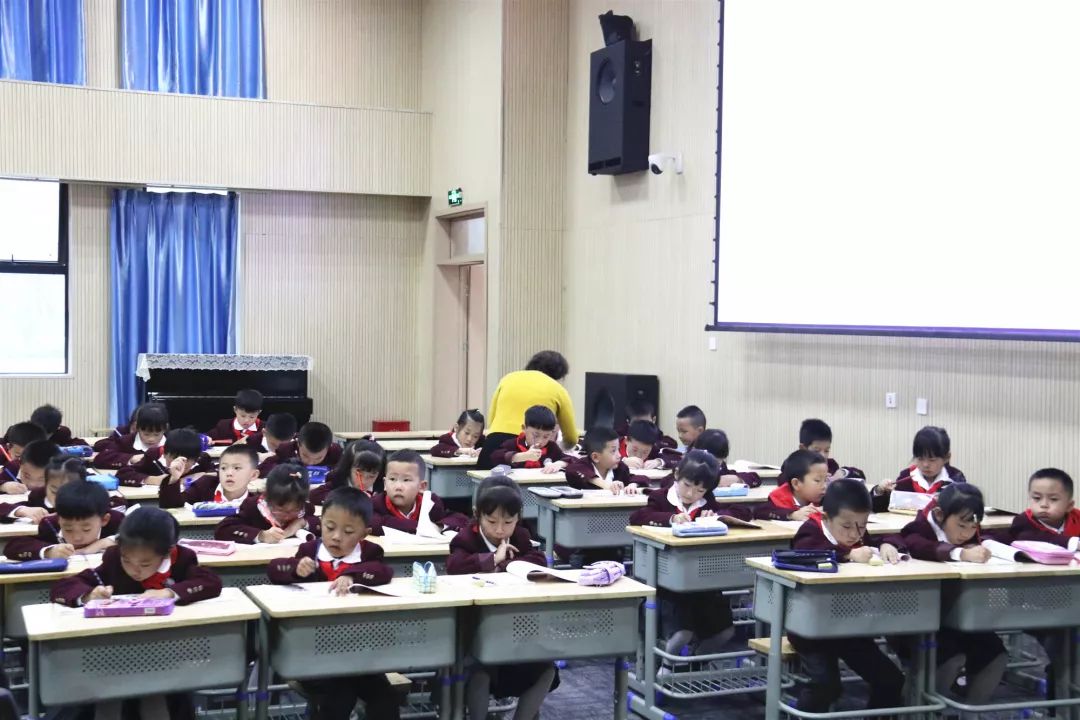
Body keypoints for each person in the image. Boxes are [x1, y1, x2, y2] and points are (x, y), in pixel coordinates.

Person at [51, 507, 222, 720]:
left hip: (170, 652)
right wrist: (89, 595)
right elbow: (62, 587)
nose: (135, 569)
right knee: (108, 705)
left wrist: (169, 592)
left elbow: (211, 582)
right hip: (115, 655)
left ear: (167, 553)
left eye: (145, 563)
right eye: (127, 560)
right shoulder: (113, 559)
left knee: (161, 703)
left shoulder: (182, 559)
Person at [267, 486, 400, 720]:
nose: (336, 536)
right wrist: (296, 569)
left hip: (360, 653)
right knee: (339, 697)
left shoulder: (370, 553)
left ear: (364, 533)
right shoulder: (309, 550)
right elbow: (274, 570)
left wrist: (352, 575)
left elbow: (383, 572)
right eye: (330, 527)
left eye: (348, 531)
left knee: (385, 697)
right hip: (314, 654)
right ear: (320, 523)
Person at [787, 479, 905, 714]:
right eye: (847, 526)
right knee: (826, 686)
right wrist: (848, 555)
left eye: (862, 526)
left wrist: (887, 545)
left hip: (850, 627)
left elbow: (891, 539)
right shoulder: (810, 531)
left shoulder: (858, 533)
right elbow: (806, 553)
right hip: (811, 630)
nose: (854, 534)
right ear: (825, 517)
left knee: (891, 680)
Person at [447, 476, 557, 719]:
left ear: (518, 518)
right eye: (492, 521)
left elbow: (538, 561)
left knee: (547, 669)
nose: (499, 529)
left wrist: (507, 563)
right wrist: (492, 559)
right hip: (474, 630)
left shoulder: (520, 536)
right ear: (478, 515)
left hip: (516, 627)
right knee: (480, 671)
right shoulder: (466, 538)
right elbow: (455, 566)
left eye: (508, 522)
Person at [897, 483, 1006, 706]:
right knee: (950, 657)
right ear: (939, 515)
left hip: (958, 614)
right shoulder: (919, 528)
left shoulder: (969, 532)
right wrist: (960, 553)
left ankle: (971, 712)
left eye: (973, 526)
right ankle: (920, 711)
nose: (966, 533)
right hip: (917, 617)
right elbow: (916, 545)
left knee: (995, 655)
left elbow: (986, 537)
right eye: (961, 526)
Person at [630, 451, 744, 663]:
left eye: (700, 490)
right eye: (687, 485)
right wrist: (671, 518)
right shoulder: (661, 497)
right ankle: (667, 668)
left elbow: (742, 512)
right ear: (676, 475)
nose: (691, 494)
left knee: (725, 632)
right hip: (669, 581)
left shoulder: (707, 501)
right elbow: (638, 517)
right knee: (682, 633)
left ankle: (696, 662)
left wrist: (717, 517)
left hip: (704, 580)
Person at [478, 350, 578, 469]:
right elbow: (571, 437)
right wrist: (556, 450)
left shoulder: (507, 379)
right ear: (558, 374)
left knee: (480, 479)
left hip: (494, 443)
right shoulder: (558, 389)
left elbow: (492, 417)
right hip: (528, 448)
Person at [7, 480, 125, 560]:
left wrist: (107, 542)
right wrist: (49, 551)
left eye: (86, 529)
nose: (77, 538)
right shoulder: (50, 524)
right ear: (59, 519)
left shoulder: (116, 521)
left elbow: (136, 535)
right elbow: (13, 547)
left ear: (104, 520)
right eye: (68, 529)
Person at [215, 463, 320, 544]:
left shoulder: (305, 509)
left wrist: (302, 522)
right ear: (267, 497)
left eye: (294, 510)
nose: (287, 516)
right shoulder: (252, 507)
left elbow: (320, 524)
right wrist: (261, 535)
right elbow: (222, 530)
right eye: (280, 510)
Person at [872, 426, 967, 512]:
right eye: (920, 458)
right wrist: (880, 491)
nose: (925, 465)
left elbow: (962, 509)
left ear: (946, 457)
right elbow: (882, 508)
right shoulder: (906, 477)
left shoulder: (955, 478)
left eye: (932, 460)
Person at [371, 450, 468, 534]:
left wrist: (439, 526)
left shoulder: (430, 502)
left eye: (406, 480)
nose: (398, 487)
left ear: (421, 486)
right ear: (385, 483)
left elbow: (461, 519)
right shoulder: (375, 504)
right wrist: (423, 528)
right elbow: (375, 523)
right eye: (392, 479)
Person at [158, 443, 260, 508]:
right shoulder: (205, 485)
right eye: (223, 468)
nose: (229, 473)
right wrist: (174, 479)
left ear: (253, 475)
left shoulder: (257, 504)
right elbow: (171, 505)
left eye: (237, 468)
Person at [116, 428, 213, 487]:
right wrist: (155, 480)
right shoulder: (154, 456)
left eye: (186, 462)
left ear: (196, 460)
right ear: (165, 453)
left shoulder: (202, 459)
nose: (179, 464)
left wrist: (200, 476)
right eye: (174, 459)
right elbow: (123, 474)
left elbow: (216, 472)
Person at [565, 426, 644, 494]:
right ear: (595, 457)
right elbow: (571, 470)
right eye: (613, 451)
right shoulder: (583, 466)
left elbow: (640, 478)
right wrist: (605, 484)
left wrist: (632, 485)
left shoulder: (620, 468)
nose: (619, 455)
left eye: (618, 449)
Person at [489, 405, 567, 473]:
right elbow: (495, 457)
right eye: (536, 435)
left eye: (546, 436)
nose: (540, 441)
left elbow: (570, 460)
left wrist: (559, 464)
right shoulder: (512, 444)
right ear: (524, 428)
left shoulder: (551, 447)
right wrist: (522, 456)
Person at [754, 450, 827, 521]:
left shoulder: (824, 499)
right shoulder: (780, 498)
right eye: (817, 480)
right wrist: (792, 515)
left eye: (825, 480)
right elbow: (759, 512)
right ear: (796, 484)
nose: (824, 486)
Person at [93, 403, 169, 470]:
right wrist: (131, 458)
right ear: (137, 427)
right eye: (146, 434)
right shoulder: (126, 441)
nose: (151, 439)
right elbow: (100, 459)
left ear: (165, 428)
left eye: (156, 434)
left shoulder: (172, 441)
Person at [259, 421, 342, 476]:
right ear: (298, 444)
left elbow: (344, 472)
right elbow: (263, 468)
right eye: (305, 456)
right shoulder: (287, 450)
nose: (310, 463)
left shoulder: (335, 452)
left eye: (318, 458)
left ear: (329, 447)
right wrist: (284, 470)